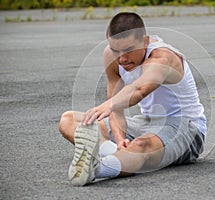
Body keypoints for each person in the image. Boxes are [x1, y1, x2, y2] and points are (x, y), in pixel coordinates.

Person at [58, 12, 207, 186]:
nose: (122, 58)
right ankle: (117, 154)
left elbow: (139, 90)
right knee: (70, 120)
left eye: (129, 50)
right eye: (115, 50)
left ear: (145, 41)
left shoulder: (163, 58)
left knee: (141, 145)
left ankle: (95, 169)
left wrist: (109, 105)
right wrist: (120, 139)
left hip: (185, 128)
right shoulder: (112, 57)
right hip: (146, 123)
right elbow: (116, 111)